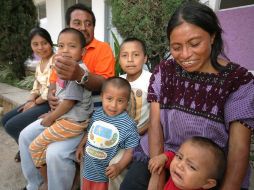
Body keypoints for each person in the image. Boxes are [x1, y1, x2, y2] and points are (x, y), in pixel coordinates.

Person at [121, 2, 254, 190]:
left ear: (213, 36)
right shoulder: (164, 72)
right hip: (161, 155)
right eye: (176, 47)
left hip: (206, 170)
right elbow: (155, 124)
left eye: (194, 44)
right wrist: (157, 176)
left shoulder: (237, 81)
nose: (185, 55)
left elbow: (239, 149)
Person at [19, 4, 115, 190]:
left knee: (54, 153)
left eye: (88, 23)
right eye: (77, 22)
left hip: (77, 118)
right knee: (25, 136)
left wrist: (80, 75)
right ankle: (34, 183)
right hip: (61, 114)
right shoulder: (61, 55)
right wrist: (52, 94)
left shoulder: (102, 49)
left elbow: (106, 85)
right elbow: (54, 80)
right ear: (69, 25)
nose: (83, 27)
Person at [27, 28, 93, 189]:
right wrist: (52, 113)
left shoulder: (77, 70)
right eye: (61, 46)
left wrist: (51, 117)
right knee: (37, 148)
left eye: (72, 46)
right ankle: (49, 180)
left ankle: (50, 183)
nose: (65, 50)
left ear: (83, 51)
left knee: (34, 147)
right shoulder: (63, 69)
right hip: (65, 119)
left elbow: (69, 102)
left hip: (73, 123)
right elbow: (61, 97)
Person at [1, 27, 54, 162]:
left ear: (50, 43)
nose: (40, 47)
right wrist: (30, 100)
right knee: (5, 119)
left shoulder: (55, 60)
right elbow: (36, 86)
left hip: (50, 103)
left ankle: (30, 152)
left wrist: (34, 103)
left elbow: (50, 90)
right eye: (35, 44)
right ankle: (24, 148)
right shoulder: (40, 62)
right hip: (38, 101)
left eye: (44, 43)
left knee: (12, 125)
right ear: (31, 46)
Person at [78, 77, 140, 190]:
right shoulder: (98, 114)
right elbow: (90, 132)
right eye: (109, 99)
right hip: (88, 170)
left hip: (105, 176)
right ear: (102, 96)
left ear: (127, 102)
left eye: (120, 101)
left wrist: (119, 166)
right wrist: (80, 145)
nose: (113, 105)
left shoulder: (128, 124)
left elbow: (131, 149)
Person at [107, 37, 152, 190]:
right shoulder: (118, 81)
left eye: (136, 55)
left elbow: (156, 118)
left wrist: (136, 132)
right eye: (125, 55)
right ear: (119, 59)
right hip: (117, 135)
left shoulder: (151, 81)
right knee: (92, 156)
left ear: (145, 57)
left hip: (140, 138)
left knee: (114, 165)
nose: (130, 60)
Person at [148, 136, 226, 190]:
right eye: (179, 157)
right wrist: (162, 158)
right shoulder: (179, 171)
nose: (180, 165)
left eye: (191, 166)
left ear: (208, 184)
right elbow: (171, 156)